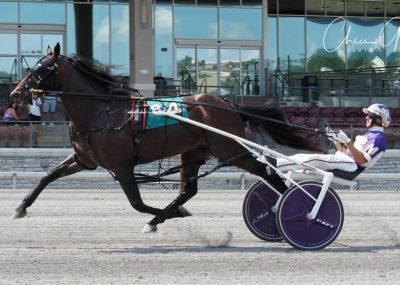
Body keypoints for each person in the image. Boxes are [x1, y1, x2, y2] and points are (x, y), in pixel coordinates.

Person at [268, 103, 391, 174]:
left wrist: (347, 141)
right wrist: (336, 140)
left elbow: (362, 160)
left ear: (379, 119)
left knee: (313, 159)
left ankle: (276, 165)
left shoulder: (378, 139)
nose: (366, 118)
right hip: (346, 161)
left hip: (351, 166)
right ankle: (276, 164)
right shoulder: (369, 135)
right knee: (302, 157)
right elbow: (346, 153)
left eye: (369, 115)